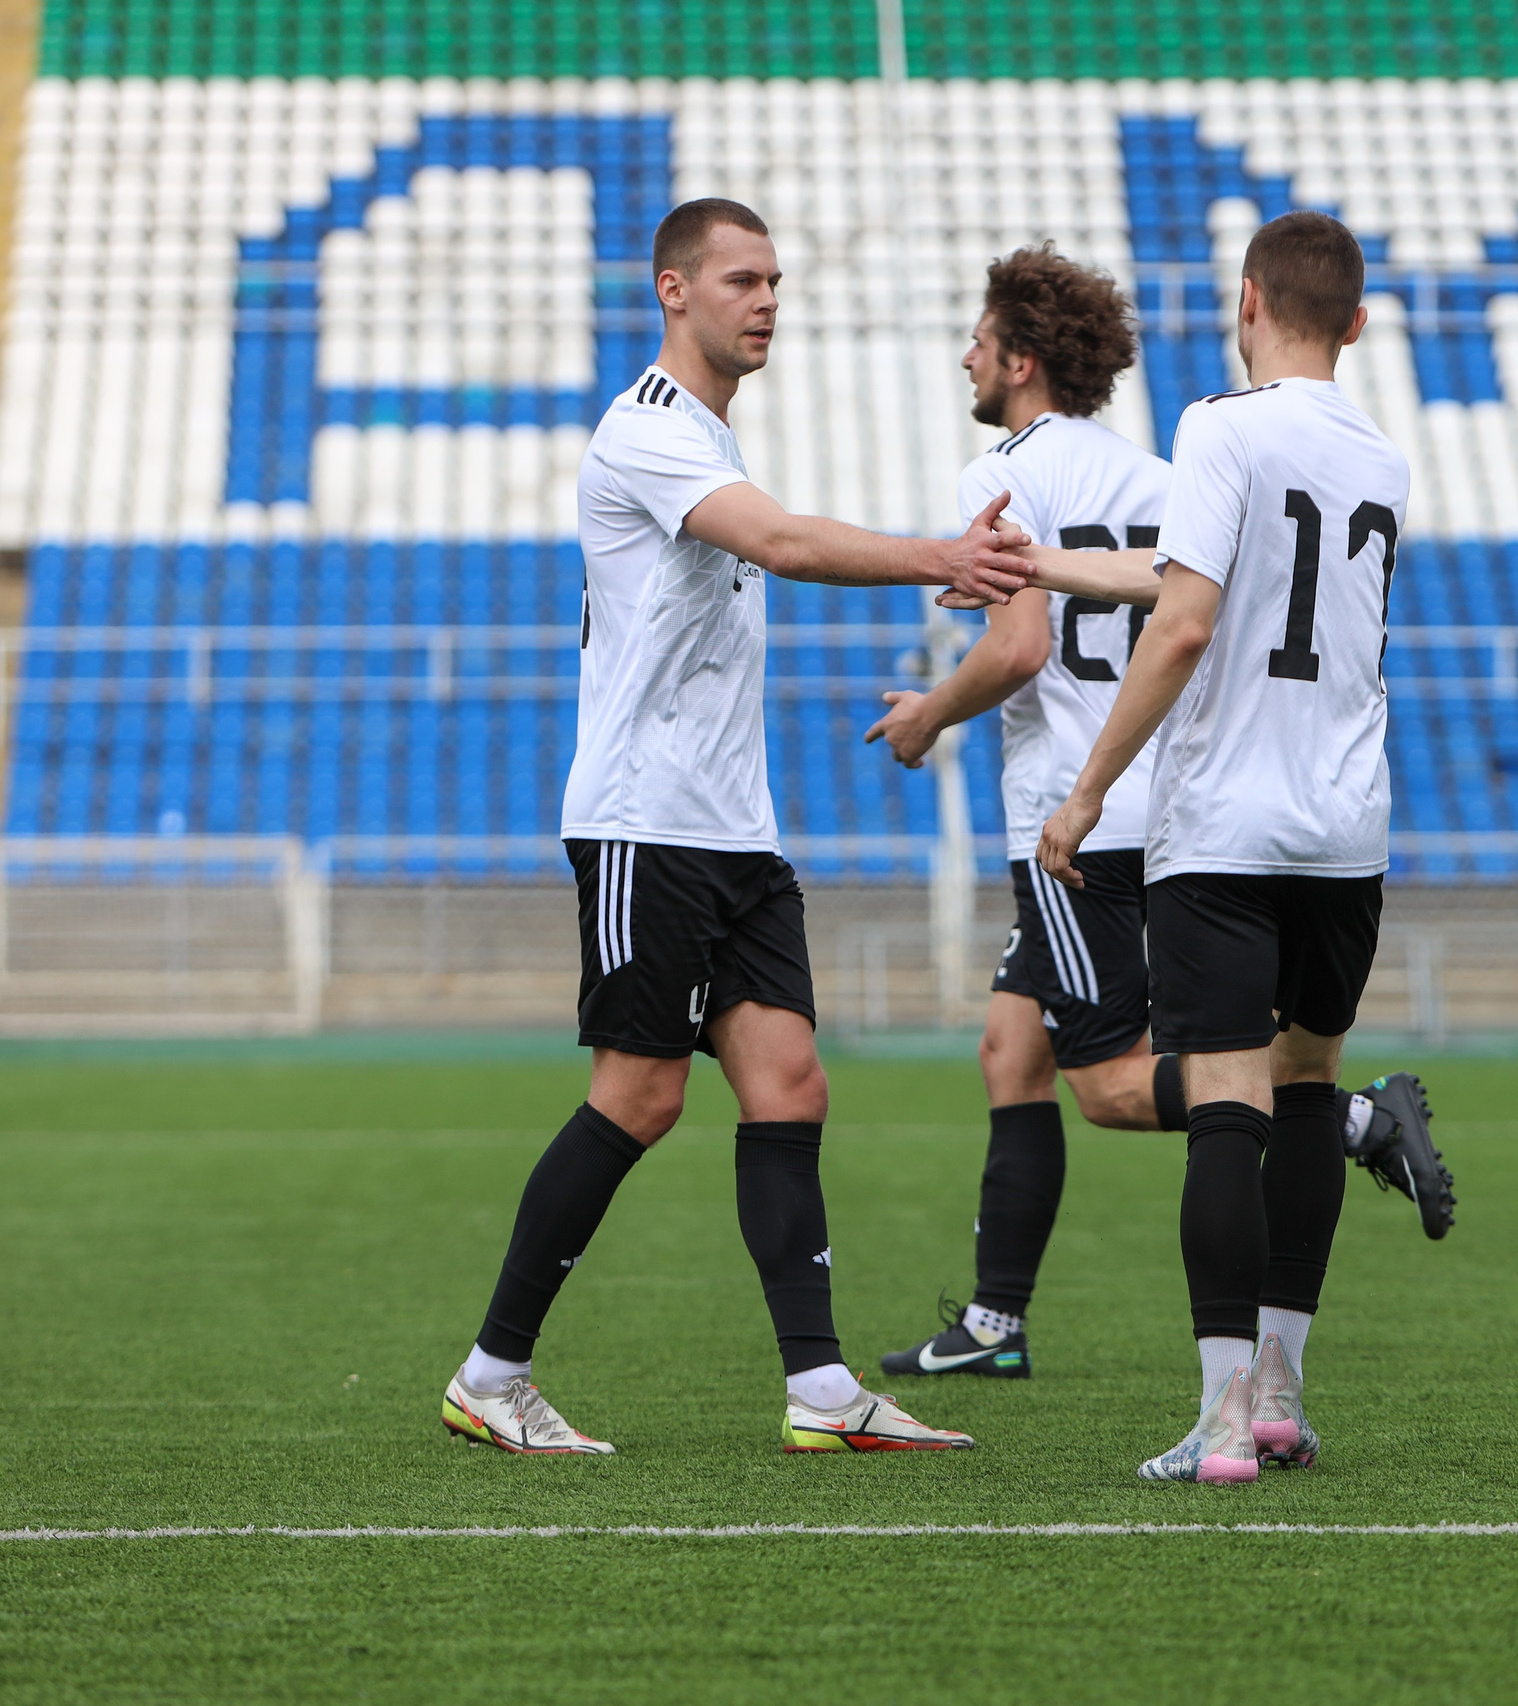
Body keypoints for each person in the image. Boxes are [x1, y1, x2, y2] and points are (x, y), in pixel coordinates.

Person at [439, 197, 1032, 1457]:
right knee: (640, 1094)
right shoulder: (647, 432)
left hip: (735, 835)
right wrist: (938, 555)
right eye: (741, 279)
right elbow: (781, 539)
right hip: (643, 825)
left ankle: (820, 1390)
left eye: (775, 280)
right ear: (672, 290)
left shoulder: (707, 439)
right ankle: (491, 1371)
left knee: (788, 1082)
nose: (766, 300)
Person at [1021, 210, 1432, 1481]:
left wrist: (1087, 790)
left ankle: (1214, 1425)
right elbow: (1226, 585)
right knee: (1309, 1085)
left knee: (1225, 1104)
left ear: (1245, 300)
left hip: (1223, 824)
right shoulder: (1382, 457)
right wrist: (1050, 565)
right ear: (1356, 324)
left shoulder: (1216, 425)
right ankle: (1279, 1401)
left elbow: (1191, 619)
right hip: (1342, 828)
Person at [858, 245, 1189, 1381]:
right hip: (1159, 802)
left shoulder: (1001, 472)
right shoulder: (1158, 480)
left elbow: (1017, 644)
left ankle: (1333, 1113)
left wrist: (924, 720)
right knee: (1014, 1046)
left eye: (980, 338)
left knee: (1109, 1083)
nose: (966, 354)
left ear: (1022, 359)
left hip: (1072, 820)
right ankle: (995, 1325)